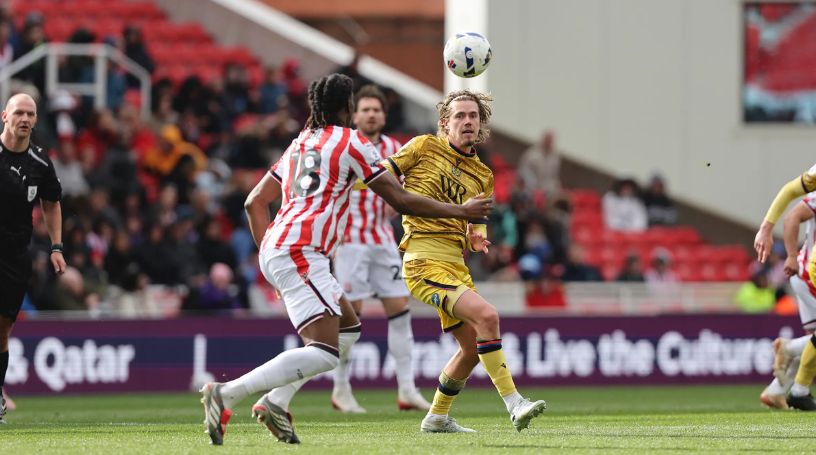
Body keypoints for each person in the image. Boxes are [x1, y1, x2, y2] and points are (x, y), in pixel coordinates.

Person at [199, 74, 492, 445]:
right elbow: (401, 200)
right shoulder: (352, 142)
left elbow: (254, 202)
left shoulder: (301, 142)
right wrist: (461, 211)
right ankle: (226, 394)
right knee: (324, 351)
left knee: (348, 329)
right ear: (348, 107)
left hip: (282, 246)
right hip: (301, 250)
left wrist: (269, 261)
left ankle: (276, 401)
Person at [382, 89, 547, 433]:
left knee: (472, 349)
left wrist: (477, 236)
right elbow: (380, 176)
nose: (468, 121)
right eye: (460, 115)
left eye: (474, 116)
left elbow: (478, 221)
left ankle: (436, 418)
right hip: (423, 260)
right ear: (445, 123)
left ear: (481, 124)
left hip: (456, 265)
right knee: (488, 316)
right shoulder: (423, 146)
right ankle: (515, 403)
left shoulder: (482, 174)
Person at [331, 85, 430, 413]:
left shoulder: (393, 148)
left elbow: (407, 187)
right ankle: (340, 389)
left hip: (382, 240)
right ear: (355, 115)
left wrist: (397, 204)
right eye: (366, 109)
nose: (372, 114)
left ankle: (407, 390)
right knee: (352, 317)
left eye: (377, 110)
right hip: (350, 242)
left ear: (384, 116)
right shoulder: (344, 146)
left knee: (400, 310)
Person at [0, 93, 66, 424]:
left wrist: (56, 247)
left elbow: (51, 203)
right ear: (5, 116)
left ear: (36, 119)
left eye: (30, 114)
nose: (24, 118)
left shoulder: (39, 162)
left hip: (14, 255)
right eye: (18, 113)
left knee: (2, 329)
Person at [758, 191, 816, 410]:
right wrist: (791, 256)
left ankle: (776, 391)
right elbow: (792, 216)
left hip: (805, 273)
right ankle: (789, 349)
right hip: (810, 275)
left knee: (814, 344)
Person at [517, 130, 561, 198]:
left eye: (550, 141)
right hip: (530, 182)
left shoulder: (555, 158)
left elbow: (553, 177)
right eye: (547, 140)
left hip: (544, 184)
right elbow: (523, 170)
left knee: (554, 188)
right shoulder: (532, 153)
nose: (548, 143)